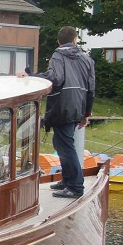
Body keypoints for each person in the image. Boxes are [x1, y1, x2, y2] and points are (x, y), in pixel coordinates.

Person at [19, 25, 95, 199]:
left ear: (58, 41)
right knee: (60, 142)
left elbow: (55, 78)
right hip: (78, 105)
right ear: (75, 40)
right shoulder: (87, 59)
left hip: (63, 105)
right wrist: (86, 113)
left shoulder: (58, 55)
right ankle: (67, 180)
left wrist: (31, 76)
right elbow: (92, 88)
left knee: (65, 145)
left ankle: (75, 186)